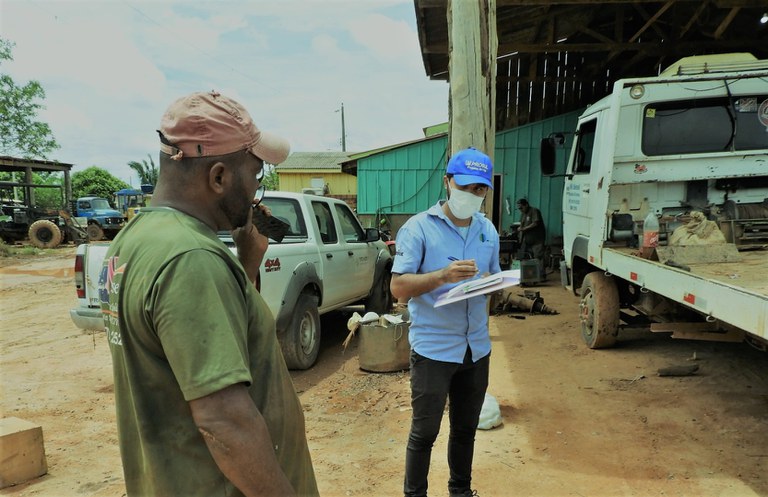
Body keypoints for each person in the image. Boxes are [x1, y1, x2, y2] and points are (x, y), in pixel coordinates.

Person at [99, 90, 318, 497]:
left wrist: (245, 263)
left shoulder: (134, 241)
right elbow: (224, 422)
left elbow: (189, 354)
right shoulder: (192, 258)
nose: (256, 192)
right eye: (256, 175)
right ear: (219, 177)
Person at [391, 147, 501, 497]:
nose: (471, 194)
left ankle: (460, 491)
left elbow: (494, 279)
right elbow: (398, 287)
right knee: (424, 433)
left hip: (476, 348)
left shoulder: (487, 230)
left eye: (479, 189)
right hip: (434, 350)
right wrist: (442, 276)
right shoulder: (418, 229)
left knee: (465, 430)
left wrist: (494, 284)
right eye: (464, 186)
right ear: (447, 182)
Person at [516, 198, 546, 269]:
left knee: (538, 257)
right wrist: (519, 229)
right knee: (528, 258)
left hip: (537, 240)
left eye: (522, 208)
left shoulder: (534, 211)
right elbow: (521, 224)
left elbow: (535, 223)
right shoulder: (523, 214)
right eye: (519, 209)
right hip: (528, 241)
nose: (521, 210)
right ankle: (531, 274)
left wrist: (524, 228)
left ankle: (540, 273)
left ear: (526, 205)